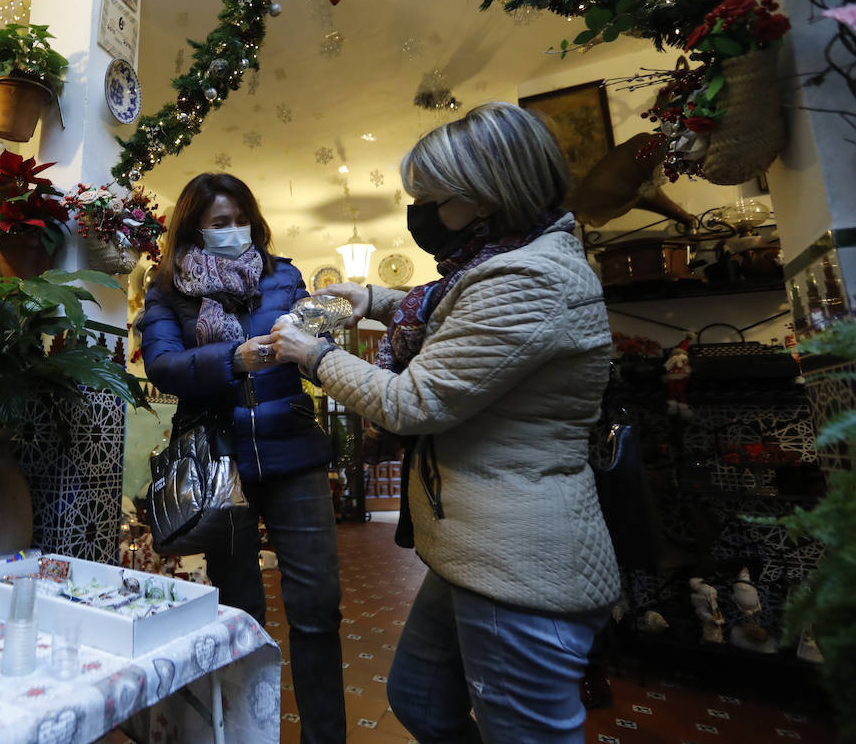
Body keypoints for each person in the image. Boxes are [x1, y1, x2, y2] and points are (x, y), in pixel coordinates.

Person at [270, 102, 620, 744]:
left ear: (484, 199)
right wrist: (369, 299)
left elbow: (413, 403)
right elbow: (455, 309)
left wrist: (313, 354)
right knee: (421, 700)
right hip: (477, 550)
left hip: (520, 561)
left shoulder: (531, 277)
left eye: (431, 198)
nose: (420, 213)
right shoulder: (501, 262)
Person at [137, 172, 345, 743]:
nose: (235, 231)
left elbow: (313, 346)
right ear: (194, 229)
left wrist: (323, 336)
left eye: (241, 220)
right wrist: (233, 359)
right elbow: (161, 365)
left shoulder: (283, 277)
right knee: (240, 611)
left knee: (317, 607)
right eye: (219, 223)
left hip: (294, 453)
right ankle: (246, 733)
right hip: (218, 465)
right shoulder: (168, 291)